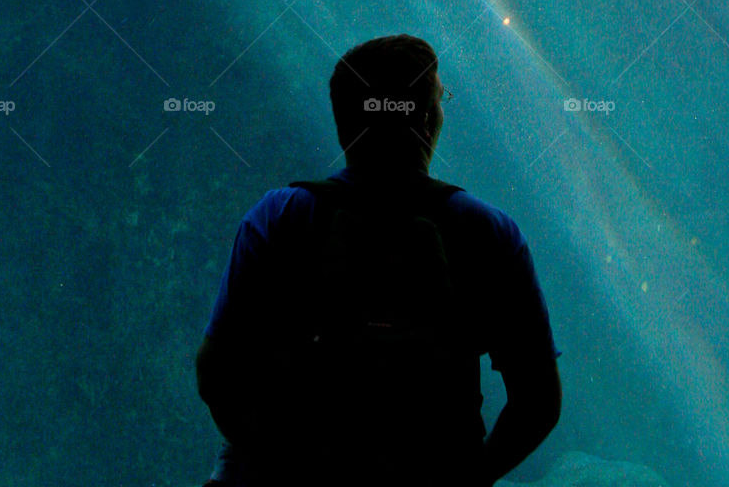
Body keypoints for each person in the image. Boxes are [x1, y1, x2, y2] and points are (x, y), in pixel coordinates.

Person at [196, 34, 562, 486]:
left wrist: (279, 463)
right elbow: (539, 400)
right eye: (441, 98)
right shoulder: (487, 232)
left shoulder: (280, 218)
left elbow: (216, 372)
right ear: (427, 120)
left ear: (344, 124)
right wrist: (468, 478)